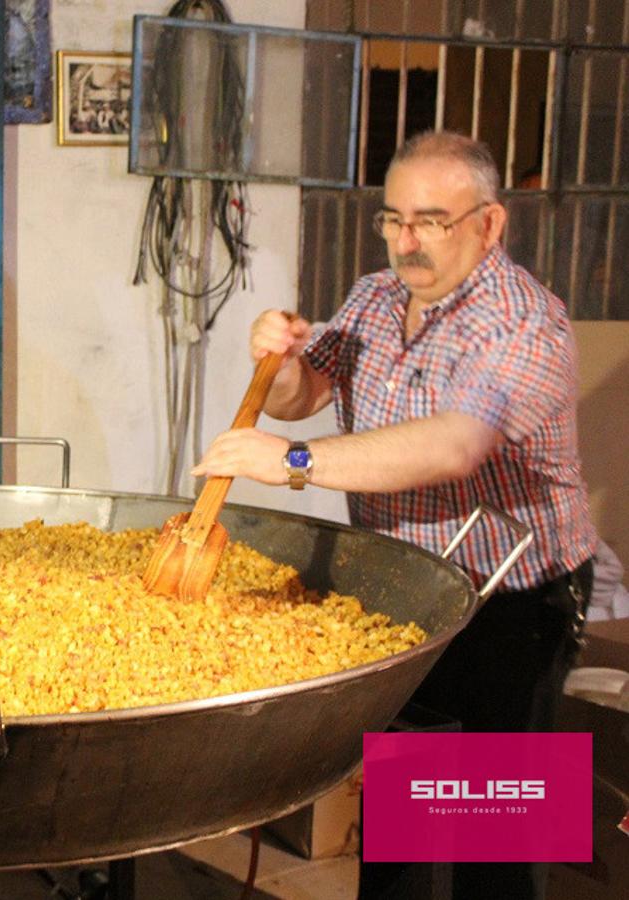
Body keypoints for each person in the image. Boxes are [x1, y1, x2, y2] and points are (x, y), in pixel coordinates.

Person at [192, 131, 597, 900]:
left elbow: (454, 445)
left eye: (432, 221)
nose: (408, 242)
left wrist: (290, 461)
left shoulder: (525, 322)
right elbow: (303, 397)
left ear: (490, 224)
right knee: (406, 817)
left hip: (516, 599)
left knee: (497, 834)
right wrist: (275, 362)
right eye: (394, 219)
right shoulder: (374, 299)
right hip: (407, 591)